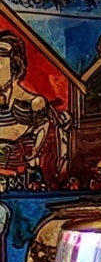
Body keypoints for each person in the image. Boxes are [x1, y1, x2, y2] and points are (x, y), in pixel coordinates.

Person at [0, 29, 65, 188]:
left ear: (15, 66)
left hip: (20, 183)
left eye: (0, 63)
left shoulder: (33, 104)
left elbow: (44, 132)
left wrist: (34, 154)